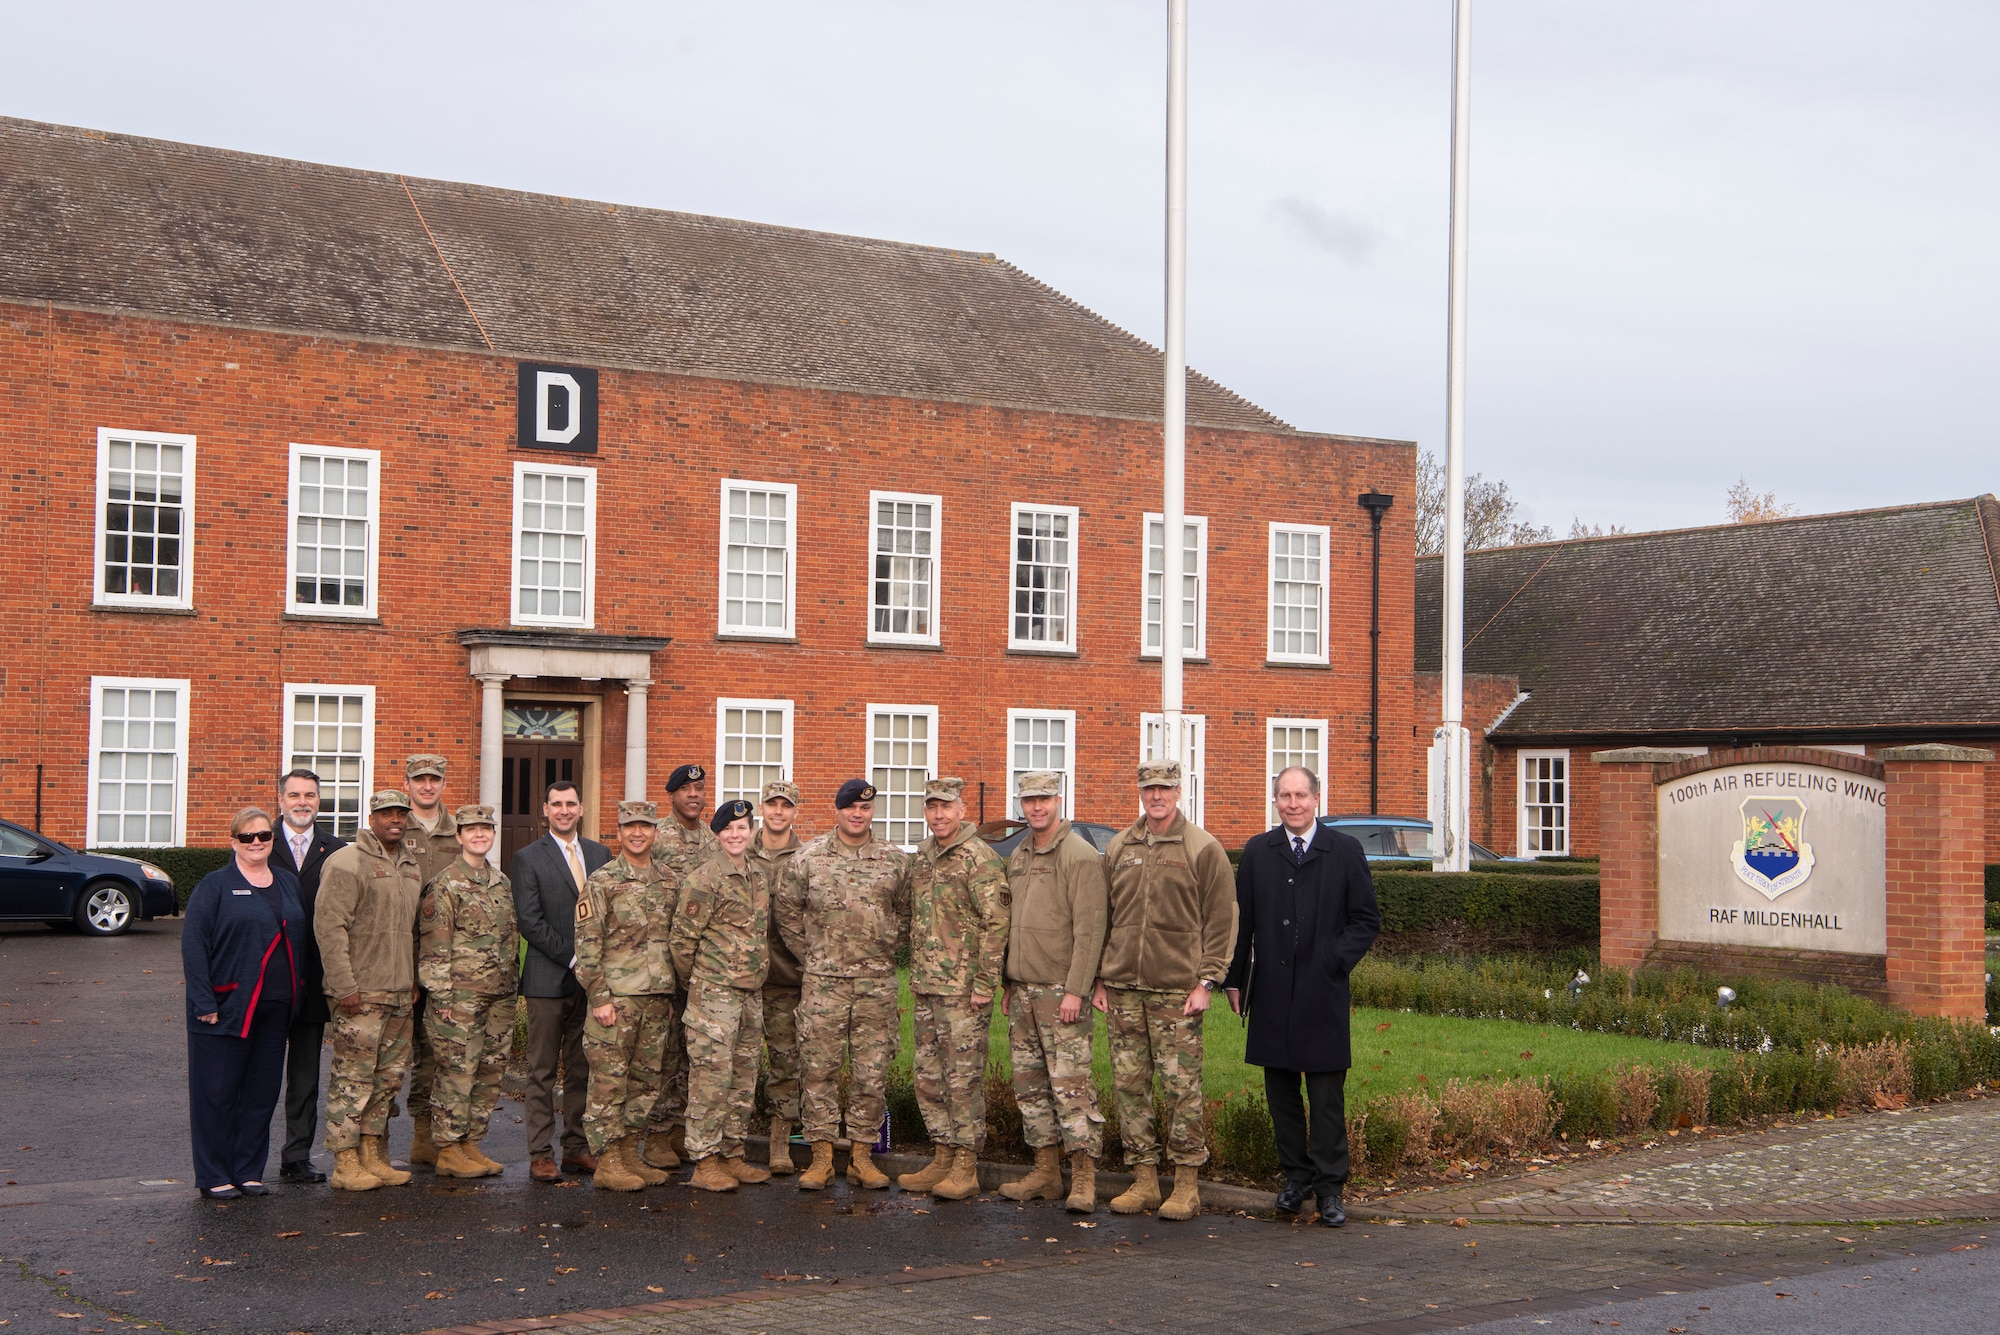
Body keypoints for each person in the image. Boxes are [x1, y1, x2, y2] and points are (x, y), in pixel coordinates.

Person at [1224, 766, 1381, 1228]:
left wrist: (1334, 959)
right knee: (1281, 1092)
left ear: (1317, 798)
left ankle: (1331, 1189)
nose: (1292, 803)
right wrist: (1235, 981)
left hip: (1323, 990)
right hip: (1272, 990)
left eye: (1300, 795)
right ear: (1275, 801)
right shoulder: (1258, 851)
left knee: (1326, 1093)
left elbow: (1366, 920)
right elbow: (1243, 924)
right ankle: (1296, 1178)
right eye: (1284, 796)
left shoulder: (1345, 851)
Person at [1095, 760, 1236, 1220]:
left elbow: (1221, 918)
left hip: (1177, 992)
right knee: (1129, 1087)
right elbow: (1105, 917)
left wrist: (1207, 980)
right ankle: (1144, 1180)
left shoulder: (1202, 847)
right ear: (1139, 791)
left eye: (1165, 788)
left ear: (1179, 791)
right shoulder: (1119, 846)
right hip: (1123, 990)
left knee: (1181, 1090)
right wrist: (1099, 977)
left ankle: (1187, 1184)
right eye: (1149, 788)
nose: (1156, 796)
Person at [775, 778, 912, 1191]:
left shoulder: (893, 860)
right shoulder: (808, 858)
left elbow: (906, 913)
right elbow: (786, 911)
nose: (858, 814)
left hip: (876, 984)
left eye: (866, 808)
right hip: (824, 984)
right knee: (818, 1070)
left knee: (871, 1073)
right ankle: (820, 1157)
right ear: (837, 810)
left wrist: (886, 945)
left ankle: (861, 1156)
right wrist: (813, 955)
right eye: (851, 807)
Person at [997, 770, 1108, 1213]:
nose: (1036, 807)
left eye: (1044, 798)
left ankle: (1083, 1177)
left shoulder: (1079, 855)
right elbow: (1010, 923)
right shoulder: (1020, 853)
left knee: (1071, 1086)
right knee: (1030, 1086)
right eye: (1028, 800)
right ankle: (1045, 1172)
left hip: (1062, 991)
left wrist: (1077, 991)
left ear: (1058, 799)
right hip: (1023, 990)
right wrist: (1008, 982)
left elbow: (1091, 929)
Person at [182, 807, 304, 1199]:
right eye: (247, 837)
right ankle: (214, 1175)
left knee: (261, 1093)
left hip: (277, 1008)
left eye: (264, 836)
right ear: (234, 841)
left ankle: (248, 1171)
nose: (256, 843)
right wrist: (204, 1000)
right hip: (226, 1006)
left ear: (272, 840)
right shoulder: (214, 885)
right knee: (216, 1094)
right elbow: (194, 946)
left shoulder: (287, 882)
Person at [897, 777, 1008, 1201]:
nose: (938, 815)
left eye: (946, 807)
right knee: (928, 1077)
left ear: (962, 810)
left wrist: (985, 983)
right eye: (931, 807)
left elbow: (997, 923)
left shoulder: (979, 858)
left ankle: (966, 1164)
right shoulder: (923, 857)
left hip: (964, 992)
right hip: (926, 986)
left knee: (962, 1081)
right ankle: (941, 1155)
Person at [314, 789, 424, 1192]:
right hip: (360, 993)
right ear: (372, 817)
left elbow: (412, 931)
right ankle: (345, 1162)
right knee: (353, 1079)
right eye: (386, 813)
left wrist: (411, 979)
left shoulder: (411, 865)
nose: (395, 819)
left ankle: (372, 1154)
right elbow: (329, 927)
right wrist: (344, 986)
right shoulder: (346, 862)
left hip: (399, 994)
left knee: (388, 1080)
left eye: (401, 813)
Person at [575, 800, 679, 1191]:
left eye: (645, 826)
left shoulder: (668, 880)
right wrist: (599, 997)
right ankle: (608, 1160)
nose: (638, 833)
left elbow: (676, 941)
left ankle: (630, 1151)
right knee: (609, 1081)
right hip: (616, 999)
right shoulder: (602, 882)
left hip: (656, 998)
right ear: (618, 833)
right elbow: (586, 945)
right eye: (630, 826)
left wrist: (669, 995)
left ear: (655, 832)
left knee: (646, 1081)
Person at [510, 779, 611, 1183]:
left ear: (581, 808)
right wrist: (573, 959)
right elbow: (529, 921)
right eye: (557, 804)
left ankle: (576, 1148)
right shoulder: (527, 858)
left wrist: (594, 967)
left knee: (582, 1067)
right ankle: (540, 1154)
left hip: (591, 984)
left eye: (571, 803)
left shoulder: (601, 854)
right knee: (541, 1071)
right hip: (548, 979)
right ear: (545, 811)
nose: (564, 810)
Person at [670, 799, 771, 1192]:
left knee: (742, 1081)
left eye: (742, 827)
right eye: (728, 828)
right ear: (717, 833)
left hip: (750, 995)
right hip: (714, 996)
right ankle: (705, 1160)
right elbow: (682, 942)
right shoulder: (704, 879)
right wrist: (699, 983)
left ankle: (732, 1154)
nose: (735, 834)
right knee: (710, 1081)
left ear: (751, 832)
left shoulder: (758, 877)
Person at [417, 804, 518, 1180]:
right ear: (458, 836)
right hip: (459, 999)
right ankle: (447, 1148)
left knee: (489, 1073)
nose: (480, 835)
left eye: (486, 829)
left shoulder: (501, 882)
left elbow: (510, 939)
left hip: (500, 996)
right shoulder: (445, 885)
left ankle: (471, 1142)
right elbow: (433, 947)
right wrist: (441, 998)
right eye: (471, 829)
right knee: (456, 1073)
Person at [270, 768, 344, 1184]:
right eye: (295, 794)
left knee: (304, 1077)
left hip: (314, 982)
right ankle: (241, 1158)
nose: (303, 801)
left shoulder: (335, 849)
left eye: (310, 795)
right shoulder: (259, 841)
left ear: (319, 801)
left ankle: (296, 1155)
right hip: (267, 980)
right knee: (256, 1074)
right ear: (280, 800)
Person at [643, 762, 719, 1170]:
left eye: (700, 789)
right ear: (671, 794)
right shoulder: (657, 837)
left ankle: (677, 1127)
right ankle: (655, 1132)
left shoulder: (712, 839)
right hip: (662, 962)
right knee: (663, 1052)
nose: (694, 795)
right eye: (686, 789)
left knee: (693, 1052)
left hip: (702, 965)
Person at [398, 754, 458, 1169]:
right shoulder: (397, 827)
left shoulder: (460, 831)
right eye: (419, 779)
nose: (427, 786)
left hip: (447, 955)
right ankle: (384, 1139)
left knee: (438, 1049)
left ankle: (428, 1134)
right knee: (399, 1046)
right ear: (408, 784)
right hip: (401, 950)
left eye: (434, 779)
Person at [749, 779, 806, 1175]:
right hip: (743, 980)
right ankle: (728, 1145)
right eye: (772, 804)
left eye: (786, 805)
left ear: (794, 812)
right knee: (738, 1065)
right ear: (762, 808)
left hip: (787, 978)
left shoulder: (807, 858)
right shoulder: (739, 849)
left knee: (786, 1065)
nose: (778, 811)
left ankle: (780, 1144)